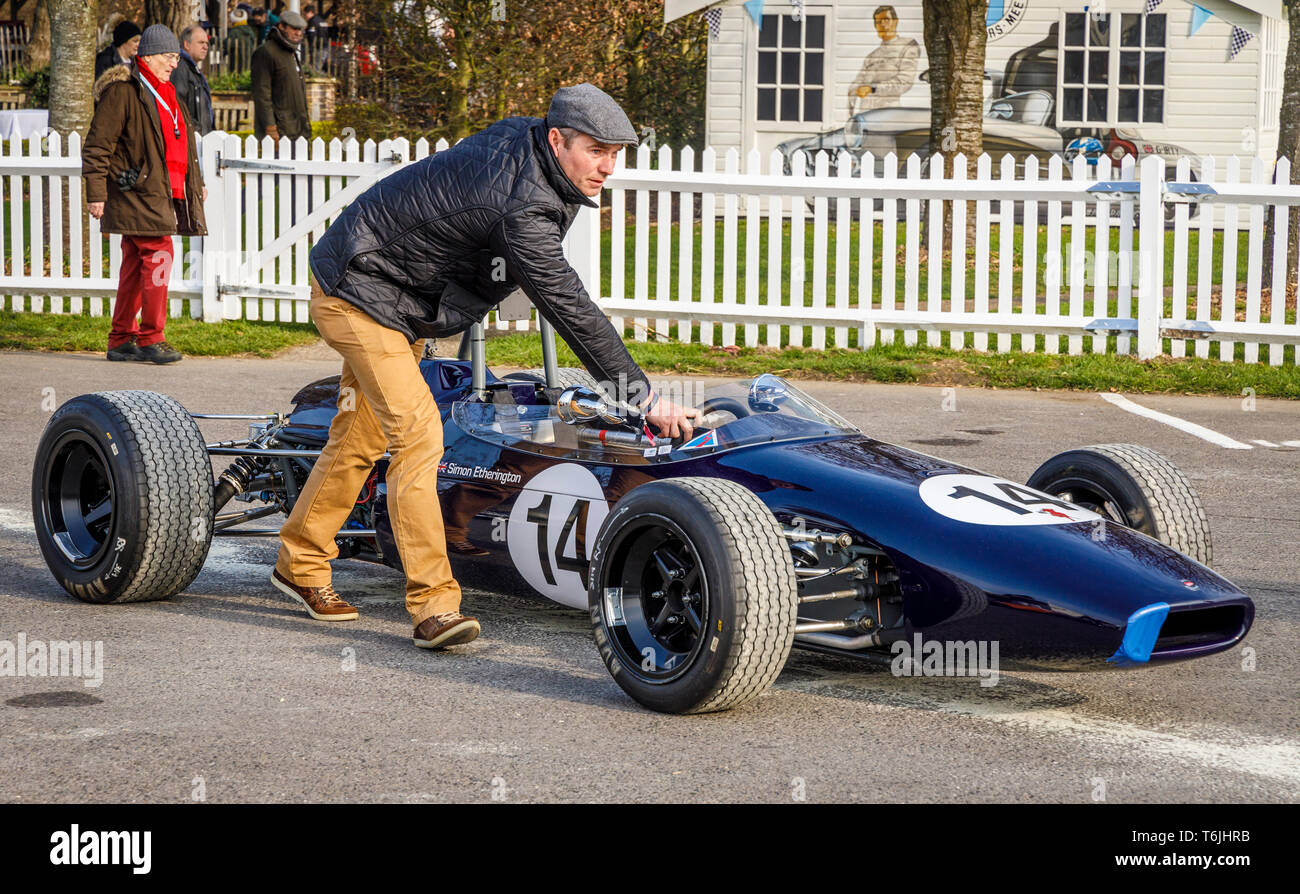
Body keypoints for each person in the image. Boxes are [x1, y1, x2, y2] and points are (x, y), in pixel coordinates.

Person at [275, 83, 699, 650]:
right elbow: (568, 305)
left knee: (359, 435)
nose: (608, 167)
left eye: (616, 153)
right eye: (597, 150)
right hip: (357, 291)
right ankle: (433, 606)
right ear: (557, 139)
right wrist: (642, 397)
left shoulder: (535, 155)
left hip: (397, 297)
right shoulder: (523, 202)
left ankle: (299, 562)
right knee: (421, 438)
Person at [82, 25, 209, 364]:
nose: (174, 63)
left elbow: (183, 143)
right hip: (137, 191)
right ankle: (151, 337)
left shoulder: (166, 90)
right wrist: (96, 193)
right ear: (148, 56)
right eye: (169, 57)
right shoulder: (124, 91)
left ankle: (121, 337)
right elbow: (97, 146)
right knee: (158, 255)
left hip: (163, 191)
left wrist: (196, 185)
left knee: (136, 263)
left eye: (175, 58)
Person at [848, 6, 920, 115]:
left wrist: (872, 88)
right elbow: (857, 83)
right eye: (878, 22)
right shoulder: (871, 56)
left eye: (886, 19)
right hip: (865, 115)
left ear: (895, 21)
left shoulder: (907, 46)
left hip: (888, 113)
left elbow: (905, 82)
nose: (882, 24)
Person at [250, 10, 310, 142]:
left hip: (298, 132)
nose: (298, 33)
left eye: (300, 29)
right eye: (294, 28)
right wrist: (270, 127)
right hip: (280, 133)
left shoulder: (290, 51)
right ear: (281, 27)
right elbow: (262, 94)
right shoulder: (266, 52)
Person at [171, 24, 215, 136]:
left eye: (207, 43)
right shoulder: (180, 68)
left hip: (201, 139)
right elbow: (177, 105)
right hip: (192, 139)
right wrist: (194, 129)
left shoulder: (193, 69)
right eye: (201, 43)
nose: (206, 47)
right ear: (187, 44)